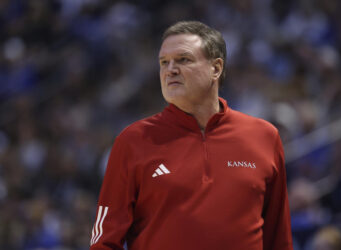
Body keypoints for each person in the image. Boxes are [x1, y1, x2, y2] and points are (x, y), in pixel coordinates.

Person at [90, 21, 293, 250]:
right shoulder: (132, 141)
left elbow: (279, 239)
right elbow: (104, 241)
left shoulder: (264, 137)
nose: (170, 70)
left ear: (215, 68)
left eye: (183, 60)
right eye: (164, 63)